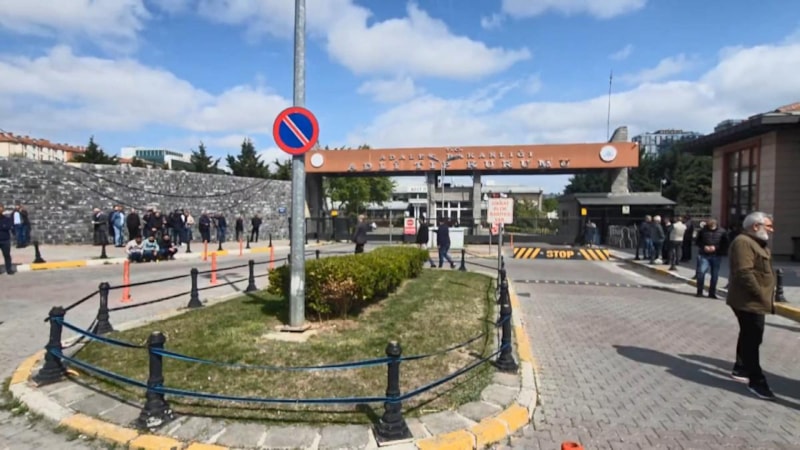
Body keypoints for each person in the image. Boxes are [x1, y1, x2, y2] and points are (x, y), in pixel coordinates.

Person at [726, 211, 776, 400]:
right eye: (768, 226)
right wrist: (760, 294)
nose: (771, 230)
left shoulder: (756, 243)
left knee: (750, 336)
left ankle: (741, 368)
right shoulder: (743, 242)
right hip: (748, 301)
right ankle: (756, 381)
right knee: (752, 338)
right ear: (756, 226)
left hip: (753, 300)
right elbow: (744, 273)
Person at [695, 218, 727, 298]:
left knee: (714, 275)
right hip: (704, 254)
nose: (710, 227)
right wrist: (704, 247)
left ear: (715, 224)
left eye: (712, 226)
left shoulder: (722, 232)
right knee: (701, 273)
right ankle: (699, 291)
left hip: (716, 255)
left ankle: (712, 293)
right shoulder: (703, 231)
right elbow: (697, 241)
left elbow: (725, 244)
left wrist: (716, 248)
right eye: (709, 226)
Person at [0, 204, 15, 275]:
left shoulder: (6, 219)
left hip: (5, 240)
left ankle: (9, 269)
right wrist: (3, 226)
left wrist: (3, 226)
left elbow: (8, 227)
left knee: (7, 255)